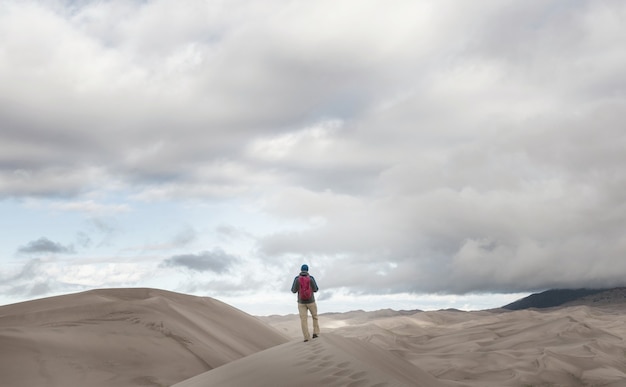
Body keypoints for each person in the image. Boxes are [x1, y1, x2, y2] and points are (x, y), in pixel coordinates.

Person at [291, 264, 320, 342]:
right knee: (315, 317)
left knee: (304, 320)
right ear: (308, 270)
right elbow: (316, 289)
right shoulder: (311, 278)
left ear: (301, 270)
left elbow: (293, 290)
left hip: (301, 303)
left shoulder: (297, 279)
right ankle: (315, 333)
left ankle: (306, 337)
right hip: (311, 301)